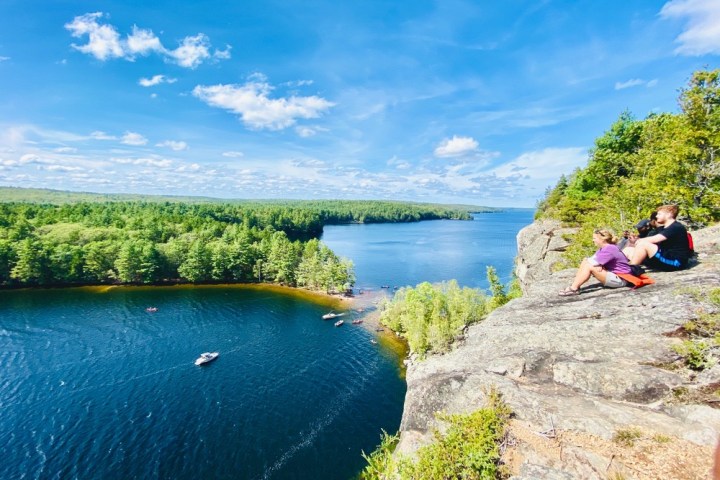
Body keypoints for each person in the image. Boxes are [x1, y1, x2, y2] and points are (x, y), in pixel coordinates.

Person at [558, 229, 631, 296]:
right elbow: (591, 260)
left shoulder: (609, 248)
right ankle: (575, 285)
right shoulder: (604, 248)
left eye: (594, 238)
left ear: (602, 239)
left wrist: (599, 264)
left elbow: (592, 262)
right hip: (615, 275)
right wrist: (599, 264)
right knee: (585, 261)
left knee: (589, 266)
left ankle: (574, 289)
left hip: (621, 279)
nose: (593, 240)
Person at [629, 204, 691, 271]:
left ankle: (631, 270)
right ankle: (621, 269)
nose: (656, 216)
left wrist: (639, 241)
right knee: (628, 250)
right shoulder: (662, 228)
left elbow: (654, 239)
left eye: (659, 214)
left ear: (669, 214)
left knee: (643, 244)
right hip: (665, 258)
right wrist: (635, 240)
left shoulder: (675, 227)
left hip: (676, 262)